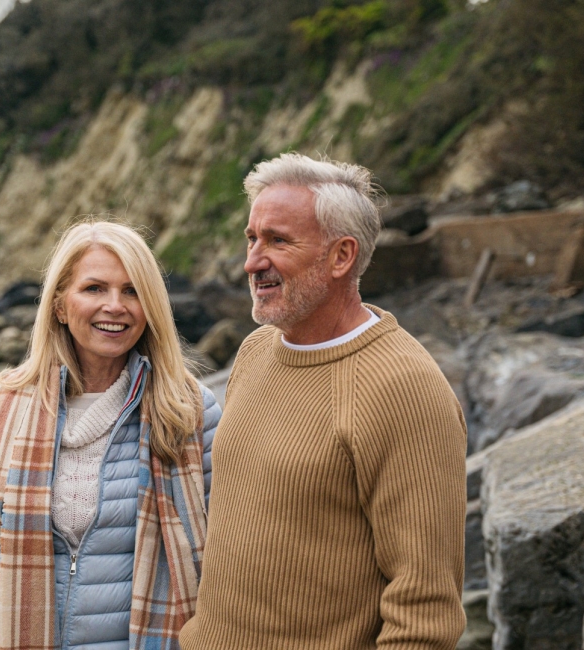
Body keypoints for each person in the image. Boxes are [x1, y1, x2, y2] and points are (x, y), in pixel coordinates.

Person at [179, 153, 468, 650]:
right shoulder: (257, 350)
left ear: (341, 257)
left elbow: (425, 614)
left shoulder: (405, 388)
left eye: (277, 241)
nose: (252, 261)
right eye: (252, 238)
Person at [0, 221, 220, 650]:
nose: (115, 306)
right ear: (59, 304)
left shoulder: (189, 411)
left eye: (132, 291)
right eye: (94, 288)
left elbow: (224, 567)